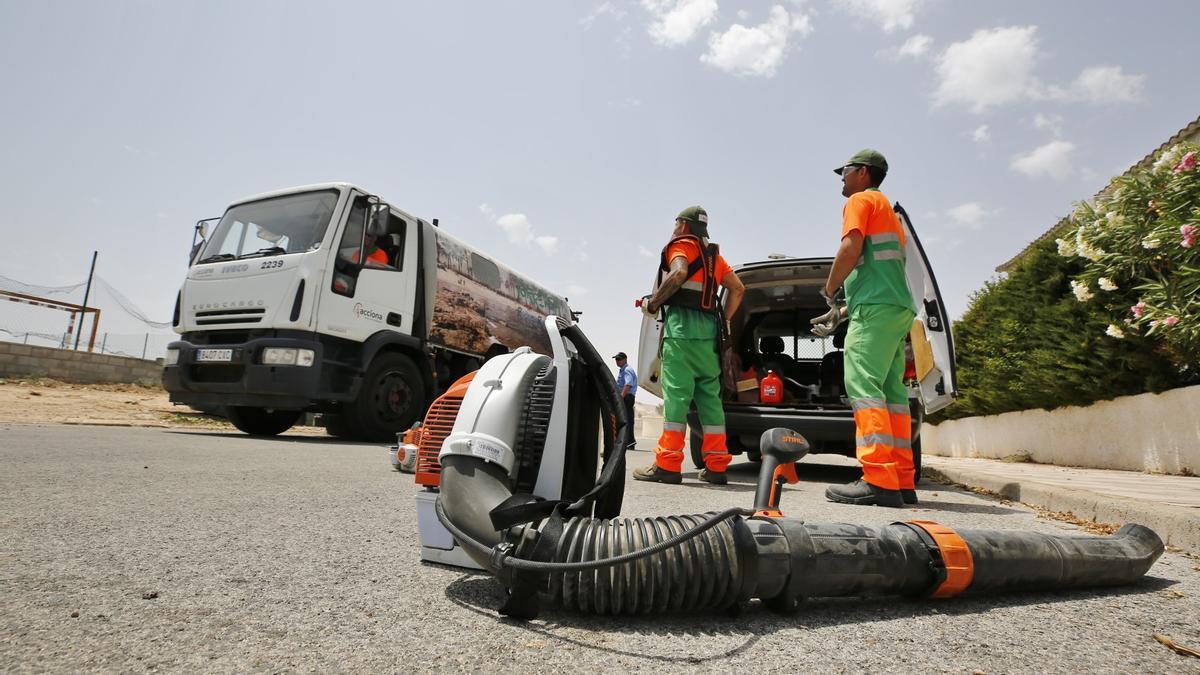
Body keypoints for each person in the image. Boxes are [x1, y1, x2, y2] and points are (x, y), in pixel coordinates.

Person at [814, 149, 917, 508]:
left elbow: (851, 247)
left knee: (862, 386)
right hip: (894, 307)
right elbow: (879, 272)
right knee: (893, 395)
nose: (841, 178)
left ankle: (877, 478)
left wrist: (829, 291)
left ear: (862, 172)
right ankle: (902, 480)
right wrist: (841, 312)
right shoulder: (888, 210)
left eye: (844, 171)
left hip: (875, 310)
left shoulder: (860, 200)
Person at [634, 206, 745, 485]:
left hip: (681, 336)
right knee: (710, 400)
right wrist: (725, 319)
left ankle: (668, 465)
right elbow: (738, 288)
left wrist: (654, 303)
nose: (673, 228)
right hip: (709, 340)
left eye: (676, 223)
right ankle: (717, 466)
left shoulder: (681, 245)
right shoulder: (715, 257)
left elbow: (678, 273)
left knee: (677, 400)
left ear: (684, 225)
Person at [613, 352, 637, 442]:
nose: (617, 361)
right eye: (616, 359)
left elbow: (628, 385)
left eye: (619, 359)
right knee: (626, 419)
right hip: (626, 397)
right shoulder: (623, 370)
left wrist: (620, 398)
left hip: (627, 397)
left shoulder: (627, 370)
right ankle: (629, 441)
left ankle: (629, 441)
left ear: (625, 359)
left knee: (626, 420)